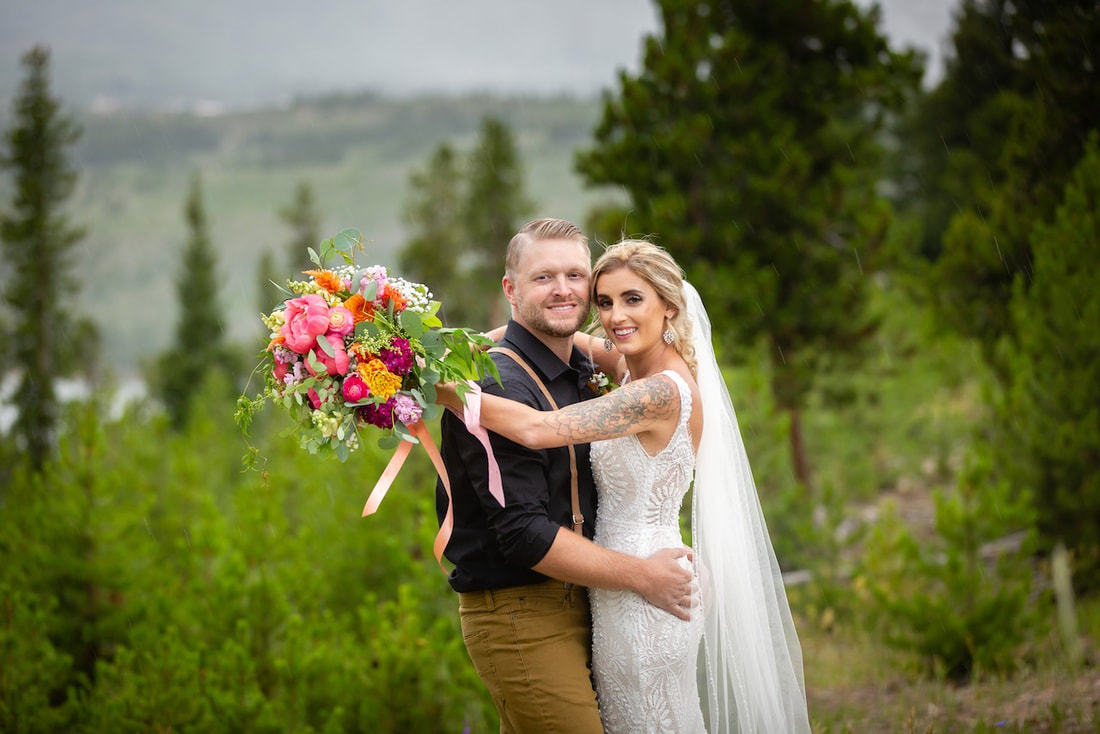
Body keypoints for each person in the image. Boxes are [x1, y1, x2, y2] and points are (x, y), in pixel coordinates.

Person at [438, 240, 812, 733]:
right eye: (606, 302)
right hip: (619, 583)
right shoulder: (632, 366)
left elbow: (536, 429)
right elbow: (556, 335)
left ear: (669, 305)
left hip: (646, 586)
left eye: (633, 299)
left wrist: (440, 385)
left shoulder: (658, 392)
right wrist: (476, 344)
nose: (616, 317)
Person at [436, 220, 694, 734]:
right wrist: (445, 374)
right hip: (523, 609)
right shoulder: (494, 383)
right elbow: (523, 534)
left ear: (669, 305)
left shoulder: (605, 368)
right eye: (543, 277)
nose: (564, 289)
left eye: (576, 276)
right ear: (510, 289)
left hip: (608, 598)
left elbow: (541, 423)